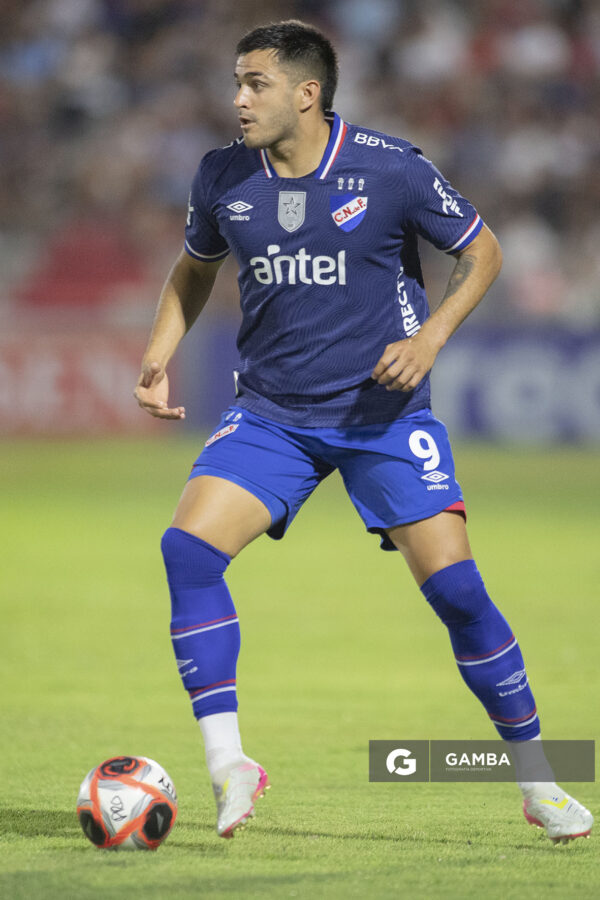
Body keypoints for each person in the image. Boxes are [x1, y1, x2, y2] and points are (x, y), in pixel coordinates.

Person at [135, 20, 593, 842]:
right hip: (273, 414)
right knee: (187, 550)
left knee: (457, 593)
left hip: (382, 418)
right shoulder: (221, 176)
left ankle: (537, 781)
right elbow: (195, 268)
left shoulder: (392, 168)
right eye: (236, 83)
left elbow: (481, 251)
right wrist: (159, 353)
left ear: (307, 94)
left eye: (256, 84)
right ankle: (228, 762)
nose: (238, 100)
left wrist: (429, 341)